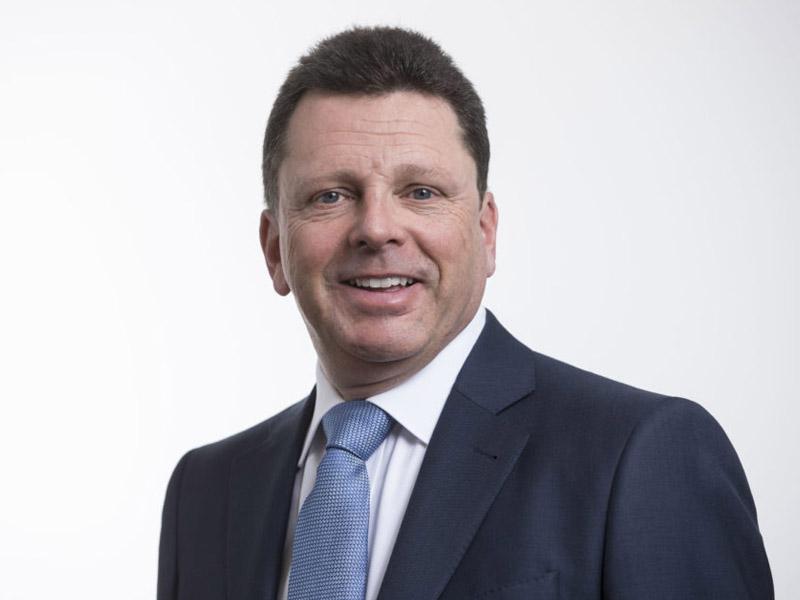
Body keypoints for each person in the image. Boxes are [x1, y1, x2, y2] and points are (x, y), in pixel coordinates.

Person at [157, 26, 773, 600]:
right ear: (274, 250)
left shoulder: (643, 457)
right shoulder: (205, 492)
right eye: (331, 196)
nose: (377, 228)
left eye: (421, 192)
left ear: (485, 232)